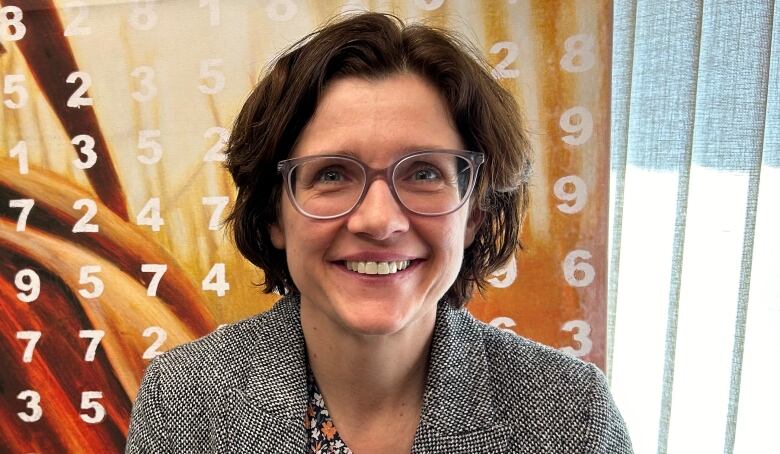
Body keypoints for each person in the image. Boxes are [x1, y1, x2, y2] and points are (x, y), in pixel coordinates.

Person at [126, 12, 632, 453]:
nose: (380, 221)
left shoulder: (572, 414)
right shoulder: (183, 403)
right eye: (332, 174)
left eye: (424, 173)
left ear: (474, 212)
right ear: (274, 215)